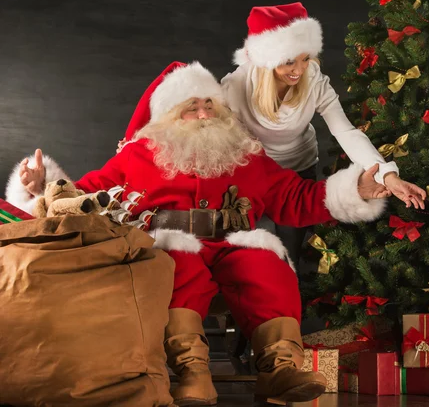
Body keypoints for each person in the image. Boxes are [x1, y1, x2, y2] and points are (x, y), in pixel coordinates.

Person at [6, 61, 391, 406]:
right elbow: (86, 195)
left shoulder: (245, 152)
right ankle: (192, 372)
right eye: (193, 107)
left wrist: (355, 189)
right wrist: (41, 188)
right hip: (168, 243)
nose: (205, 113)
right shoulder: (138, 155)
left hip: (233, 241)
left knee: (265, 263)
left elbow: (292, 196)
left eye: (210, 105)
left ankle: (280, 367)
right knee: (177, 265)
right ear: (170, 115)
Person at [217, 2, 426, 268]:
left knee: (289, 249)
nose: (299, 69)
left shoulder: (312, 78)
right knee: (247, 249)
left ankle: (289, 301)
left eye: (305, 58)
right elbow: (225, 146)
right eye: (289, 61)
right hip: (253, 172)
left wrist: (387, 173)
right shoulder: (235, 86)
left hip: (297, 171)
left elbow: (346, 131)